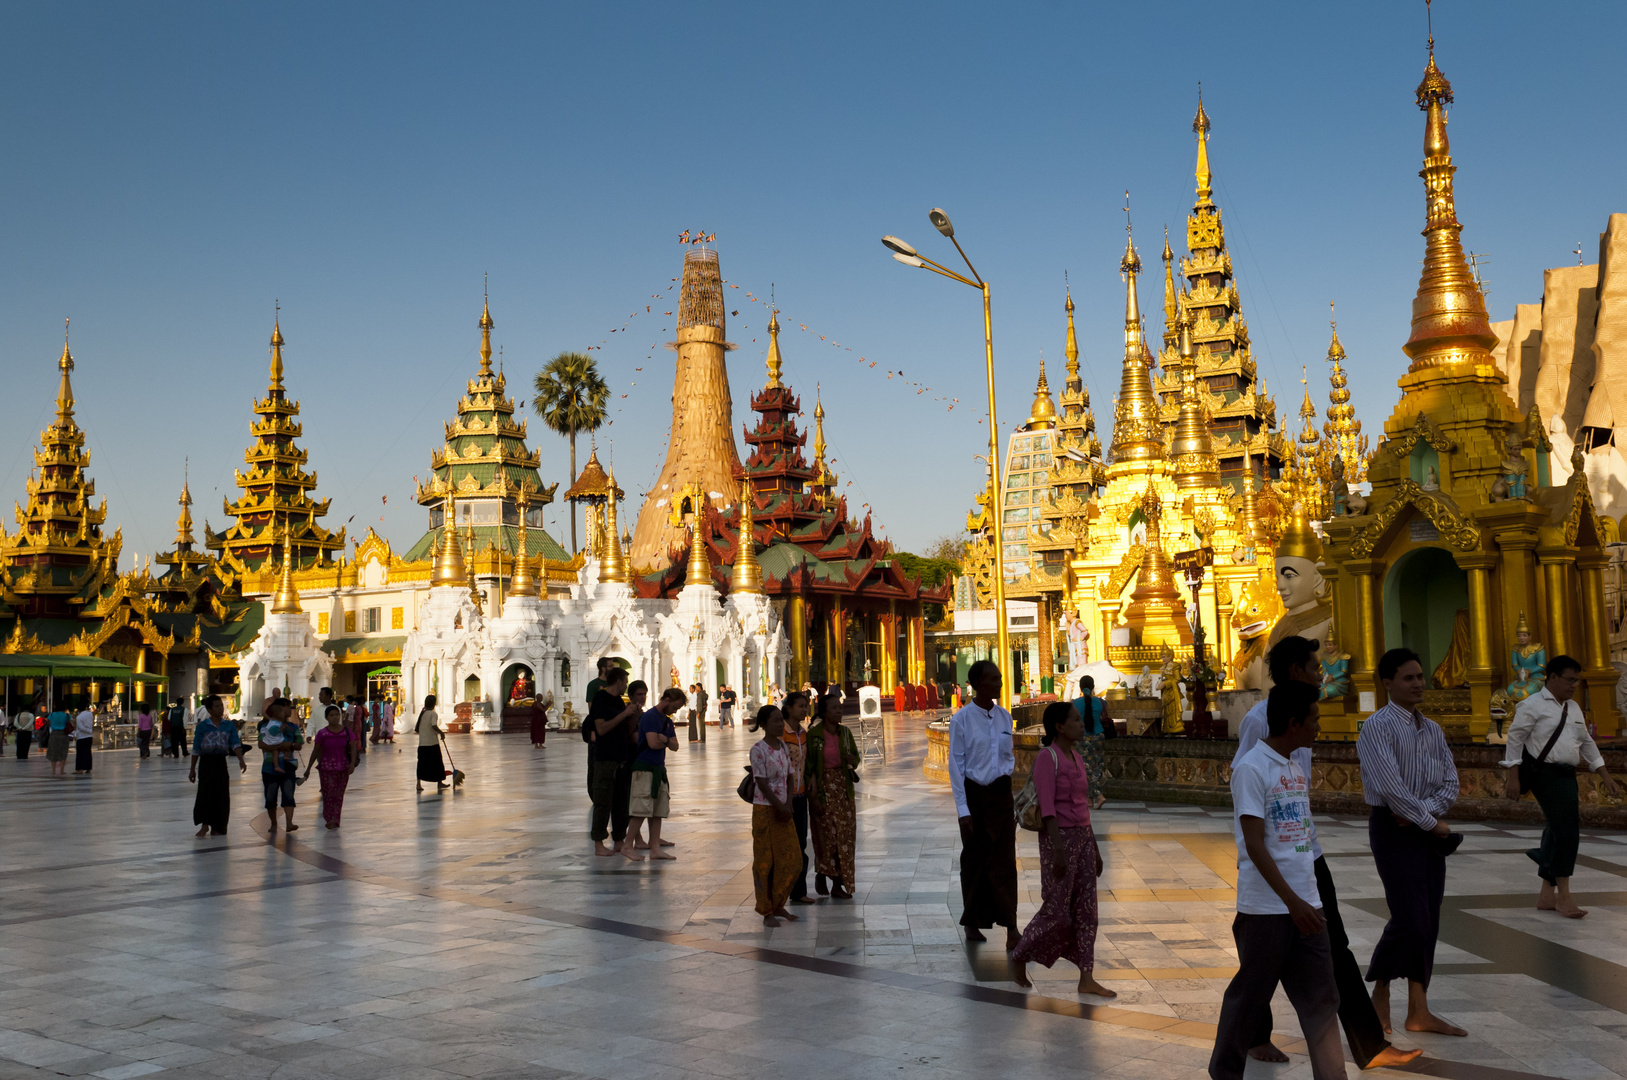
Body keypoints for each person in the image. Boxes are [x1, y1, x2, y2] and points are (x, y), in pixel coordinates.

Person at [1233, 636, 1419, 1071]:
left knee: (1332, 945)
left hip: (1305, 851)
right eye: (1316, 667)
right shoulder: (1262, 721)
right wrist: (1257, 853)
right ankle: (1252, 1038)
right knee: (1262, 959)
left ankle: (1368, 1046)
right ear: (1297, 670)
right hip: (1272, 857)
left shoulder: (1306, 723)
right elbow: (1244, 789)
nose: (1322, 673)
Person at [1209, 682, 1344, 1080]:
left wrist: (1310, 899)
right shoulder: (1252, 768)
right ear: (1293, 723)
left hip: (1306, 904)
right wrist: (1292, 903)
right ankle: (1225, 1073)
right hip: (1267, 910)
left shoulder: (1295, 765)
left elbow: (1299, 839)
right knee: (1249, 999)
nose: (1318, 728)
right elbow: (1254, 845)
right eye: (1314, 720)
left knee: (1322, 1000)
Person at [1358, 647, 1465, 1037]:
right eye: (1409, 678)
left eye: (1420, 676)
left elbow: (1450, 783)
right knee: (1411, 920)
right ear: (1388, 683)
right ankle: (1380, 992)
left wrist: (1426, 815)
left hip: (1421, 828)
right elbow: (1390, 788)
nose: (1419, 683)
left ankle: (1419, 1009)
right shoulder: (1377, 727)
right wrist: (1431, 822)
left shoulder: (1433, 729)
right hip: (1392, 830)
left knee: (1430, 919)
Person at [1502, 654, 1621, 918]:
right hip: (1544, 774)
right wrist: (1513, 776)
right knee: (1567, 833)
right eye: (1569, 680)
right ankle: (1564, 898)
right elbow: (1515, 739)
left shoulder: (1574, 708)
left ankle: (1546, 894)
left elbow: (1587, 743)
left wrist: (1604, 774)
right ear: (1552, 677)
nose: (1573, 685)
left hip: (1568, 774)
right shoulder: (1531, 705)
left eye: (1577, 681)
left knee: (1557, 830)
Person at [1011, 701, 1114, 997]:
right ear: (1059, 726)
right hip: (1059, 839)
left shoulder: (1077, 758)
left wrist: (1094, 847)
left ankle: (1086, 977)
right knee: (1057, 911)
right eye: (1076, 720)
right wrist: (1057, 850)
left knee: (1087, 910)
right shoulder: (1048, 758)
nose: (1082, 725)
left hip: (1082, 837)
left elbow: (1083, 807)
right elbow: (1047, 808)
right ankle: (1020, 954)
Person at [949, 659, 1019, 948]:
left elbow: (1007, 758)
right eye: (993, 679)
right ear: (978, 684)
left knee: (1004, 863)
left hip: (1001, 797)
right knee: (976, 862)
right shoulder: (962, 719)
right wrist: (963, 810)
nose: (999, 683)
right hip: (975, 797)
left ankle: (1011, 926)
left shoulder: (1004, 717)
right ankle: (972, 922)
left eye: (1000, 678)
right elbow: (956, 765)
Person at [749, 705, 801, 927]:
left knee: (793, 860)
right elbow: (761, 782)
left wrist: (788, 803)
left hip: (784, 808)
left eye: (781, 720)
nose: (780, 724)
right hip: (765, 810)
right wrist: (779, 805)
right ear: (764, 725)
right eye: (776, 721)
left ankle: (779, 902)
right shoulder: (758, 750)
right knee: (764, 862)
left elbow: (790, 777)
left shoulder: (782, 747)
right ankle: (766, 910)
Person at [807, 691, 860, 900]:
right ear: (824, 712)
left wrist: (851, 760)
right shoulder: (814, 735)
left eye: (840, 708)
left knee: (844, 838)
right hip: (823, 788)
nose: (840, 711)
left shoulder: (845, 733)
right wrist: (814, 796)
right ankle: (822, 872)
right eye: (835, 708)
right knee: (826, 836)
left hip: (843, 789)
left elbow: (855, 758)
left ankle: (839, 884)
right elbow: (809, 766)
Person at [625, 684, 682, 862]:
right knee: (641, 809)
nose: (674, 711)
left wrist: (664, 739)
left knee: (658, 810)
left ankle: (655, 847)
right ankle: (627, 845)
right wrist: (666, 742)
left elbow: (675, 746)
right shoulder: (650, 717)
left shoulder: (667, 721)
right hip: (644, 767)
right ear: (666, 700)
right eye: (674, 707)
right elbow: (652, 743)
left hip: (659, 768)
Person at [589, 667, 639, 856]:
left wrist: (633, 716)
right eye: (625, 682)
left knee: (620, 801)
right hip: (605, 758)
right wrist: (624, 715)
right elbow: (601, 729)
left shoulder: (619, 701)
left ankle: (619, 840)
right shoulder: (601, 699)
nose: (626, 685)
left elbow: (625, 730)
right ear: (618, 681)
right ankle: (599, 843)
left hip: (621, 757)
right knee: (603, 800)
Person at [189, 694, 247, 835]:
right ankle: (204, 825)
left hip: (220, 762)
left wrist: (241, 760)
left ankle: (218, 826)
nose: (220, 708)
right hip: (206, 763)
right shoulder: (203, 727)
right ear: (209, 710)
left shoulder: (228, 726)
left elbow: (235, 744)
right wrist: (192, 770)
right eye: (217, 706)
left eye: (221, 705)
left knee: (221, 794)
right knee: (205, 793)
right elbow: (196, 748)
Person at [780, 692, 814, 904]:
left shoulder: (803, 734)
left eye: (806, 706)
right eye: (800, 706)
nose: (804, 710)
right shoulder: (781, 733)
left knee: (800, 844)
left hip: (801, 795)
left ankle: (798, 891)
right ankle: (780, 891)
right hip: (783, 798)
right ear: (789, 708)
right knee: (784, 845)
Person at [304, 703, 358, 829]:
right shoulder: (322, 733)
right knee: (328, 794)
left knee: (339, 795)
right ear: (326, 718)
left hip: (343, 767)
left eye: (337, 714)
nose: (335, 717)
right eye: (331, 715)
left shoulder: (346, 731)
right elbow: (316, 751)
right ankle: (329, 817)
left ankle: (335, 819)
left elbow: (353, 747)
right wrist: (308, 769)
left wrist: (352, 764)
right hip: (326, 768)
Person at [258, 698, 303, 833]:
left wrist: (291, 745)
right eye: (288, 708)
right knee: (270, 797)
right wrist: (280, 746)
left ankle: (289, 822)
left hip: (288, 765)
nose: (290, 711)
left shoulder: (293, 727)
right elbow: (261, 744)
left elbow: (299, 745)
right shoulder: (266, 727)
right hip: (269, 767)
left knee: (289, 795)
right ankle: (274, 823)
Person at [1071, 674, 1114, 810]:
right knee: (1097, 767)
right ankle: (1089, 799)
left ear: (1080, 687)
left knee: (1085, 769)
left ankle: (1098, 796)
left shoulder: (1075, 703)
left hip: (1083, 738)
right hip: (1099, 736)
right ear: (1093, 686)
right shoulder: (1101, 702)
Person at [415, 695, 448, 793]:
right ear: (434, 704)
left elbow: (418, 728)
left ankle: (418, 784)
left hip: (422, 744)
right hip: (432, 743)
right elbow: (434, 726)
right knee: (437, 764)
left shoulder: (422, 713)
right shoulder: (433, 714)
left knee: (421, 764)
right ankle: (439, 783)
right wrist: (441, 732)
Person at [45, 702, 71, 776]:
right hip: (63, 734)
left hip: (54, 734)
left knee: (53, 752)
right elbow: (68, 723)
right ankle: (62, 770)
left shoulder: (52, 714)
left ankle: (53, 770)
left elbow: (48, 722)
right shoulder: (66, 715)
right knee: (63, 751)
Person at [72, 698, 94, 775]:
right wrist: (90, 731)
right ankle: (88, 768)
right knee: (88, 752)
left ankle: (80, 769)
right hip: (89, 737)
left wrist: (87, 730)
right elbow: (91, 723)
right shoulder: (90, 714)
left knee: (80, 753)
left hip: (82, 737)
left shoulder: (79, 717)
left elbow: (80, 727)